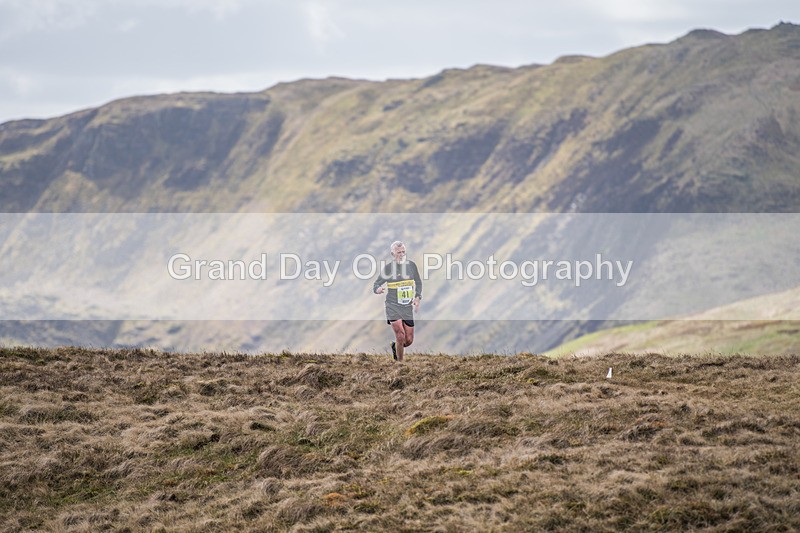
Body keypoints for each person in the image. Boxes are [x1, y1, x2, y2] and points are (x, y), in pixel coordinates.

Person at [372, 241, 422, 362]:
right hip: (392, 306)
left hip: (407, 307)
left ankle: (396, 346)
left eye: (403, 252)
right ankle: (400, 364)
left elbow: (418, 282)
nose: (401, 254)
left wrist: (417, 297)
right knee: (400, 335)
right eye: (398, 252)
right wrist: (378, 289)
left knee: (408, 340)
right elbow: (376, 283)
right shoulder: (388, 269)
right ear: (392, 254)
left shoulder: (411, 266)